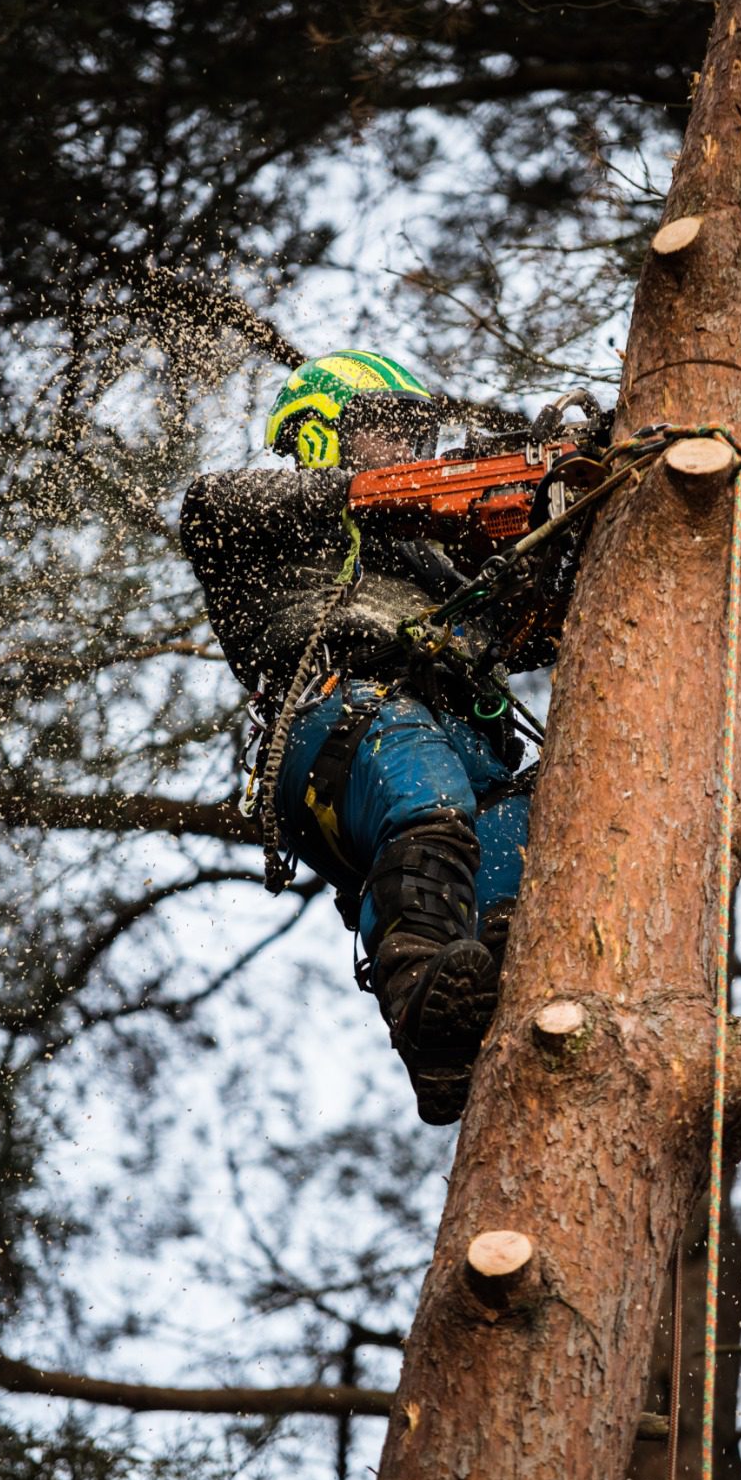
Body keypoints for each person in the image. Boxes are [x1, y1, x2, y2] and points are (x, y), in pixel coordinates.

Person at [180, 350, 547, 1125]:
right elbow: (209, 506)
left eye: (417, 435)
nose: (408, 449)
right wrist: (397, 496)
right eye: (386, 430)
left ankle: (474, 1008)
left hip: (473, 748)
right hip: (343, 721)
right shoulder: (250, 514)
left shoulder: (439, 559)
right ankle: (416, 993)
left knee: (539, 828)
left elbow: (537, 626)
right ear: (318, 433)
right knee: (427, 796)